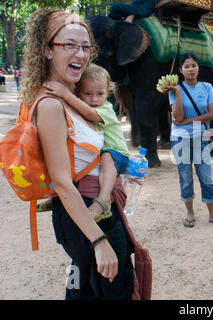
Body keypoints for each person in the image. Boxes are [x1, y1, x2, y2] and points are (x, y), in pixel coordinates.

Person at [19, 8, 134, 299]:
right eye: (69, 45)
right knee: (114, 289)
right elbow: (61, 181)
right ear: (47, 51)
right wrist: (98, 241)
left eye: (85, 47)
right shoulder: (51, 106)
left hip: (85, 212)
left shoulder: (74, 99)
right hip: (84, 216)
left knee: (83, 287)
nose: (80, 54)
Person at [37, 64, 130, 218]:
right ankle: (58, 197)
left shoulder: (105, 109)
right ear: (79, 92)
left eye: (100, 93)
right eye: (88, 93)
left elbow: (88, 113)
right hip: (100, 153)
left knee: (107, 158)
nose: (94, 99)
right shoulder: (82, 105)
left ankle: (103, 200)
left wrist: (65, 94)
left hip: (117, 153)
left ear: (108, 92)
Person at [165, 52, 213, 228]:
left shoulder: (207, 87)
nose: (191, 69)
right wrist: (178, 92)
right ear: (181, 70)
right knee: (185, 178)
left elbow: (212, 114)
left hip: (201, 138)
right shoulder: (174, 89)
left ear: (198, 67)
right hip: (181, 139)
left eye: (193, 65)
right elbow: (177, 116)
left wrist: (186, 121)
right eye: (186, 66)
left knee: (206, 177)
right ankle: (190, 214)